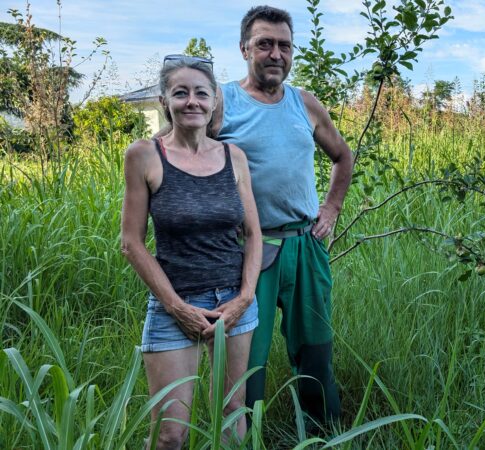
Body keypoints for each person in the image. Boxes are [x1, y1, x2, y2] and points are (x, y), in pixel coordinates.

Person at [209, 5, 354, 427]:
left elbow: (343, 157)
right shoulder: (221, 102)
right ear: (244, 49)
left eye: (284, 46)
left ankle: (322, 432)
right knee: (245, 359)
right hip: (246, 252)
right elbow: (179, 152)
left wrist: (332, 207)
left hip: (305, 246)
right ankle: (244, 434)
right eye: (265, 44)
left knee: (315, 349)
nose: (276, 54)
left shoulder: (304, 103)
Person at [121, 55, 262, 449]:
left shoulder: (234, 157)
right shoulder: (145, 155)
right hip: (175, 303)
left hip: (233, 303)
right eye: (180, 93)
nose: (192, 102)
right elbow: (131, 242)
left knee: (232, 416)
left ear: (215, 100)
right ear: (165, 100)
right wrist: (176, 308)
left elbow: (253, 233)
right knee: (170, 432)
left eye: (201, 93)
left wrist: (245, 297)